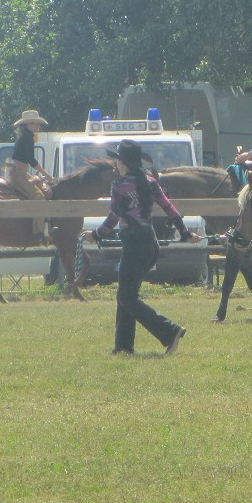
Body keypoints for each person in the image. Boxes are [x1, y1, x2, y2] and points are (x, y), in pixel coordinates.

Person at [84, 139, 201, 355]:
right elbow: (170, 208)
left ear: (123, 162)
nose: (115, 163)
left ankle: (169, 331)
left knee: (127, 297)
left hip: (134, 244)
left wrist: (94, 235)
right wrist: (185, 233)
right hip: (150, 243)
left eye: (117, 159)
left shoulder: (119, 185)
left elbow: (113, 218)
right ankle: (123, 347)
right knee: (125, 295)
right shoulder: (150, 182)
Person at [7, 110, 54, 235]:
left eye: (38, 124)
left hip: (18, 171)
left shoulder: (24, 137)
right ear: (28, 125)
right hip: (18, 173)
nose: (38, 126)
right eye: (35, 124)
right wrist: (47, 175)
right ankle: (38, 231)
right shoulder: (27, 138)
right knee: (38, 196)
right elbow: (31, 160)